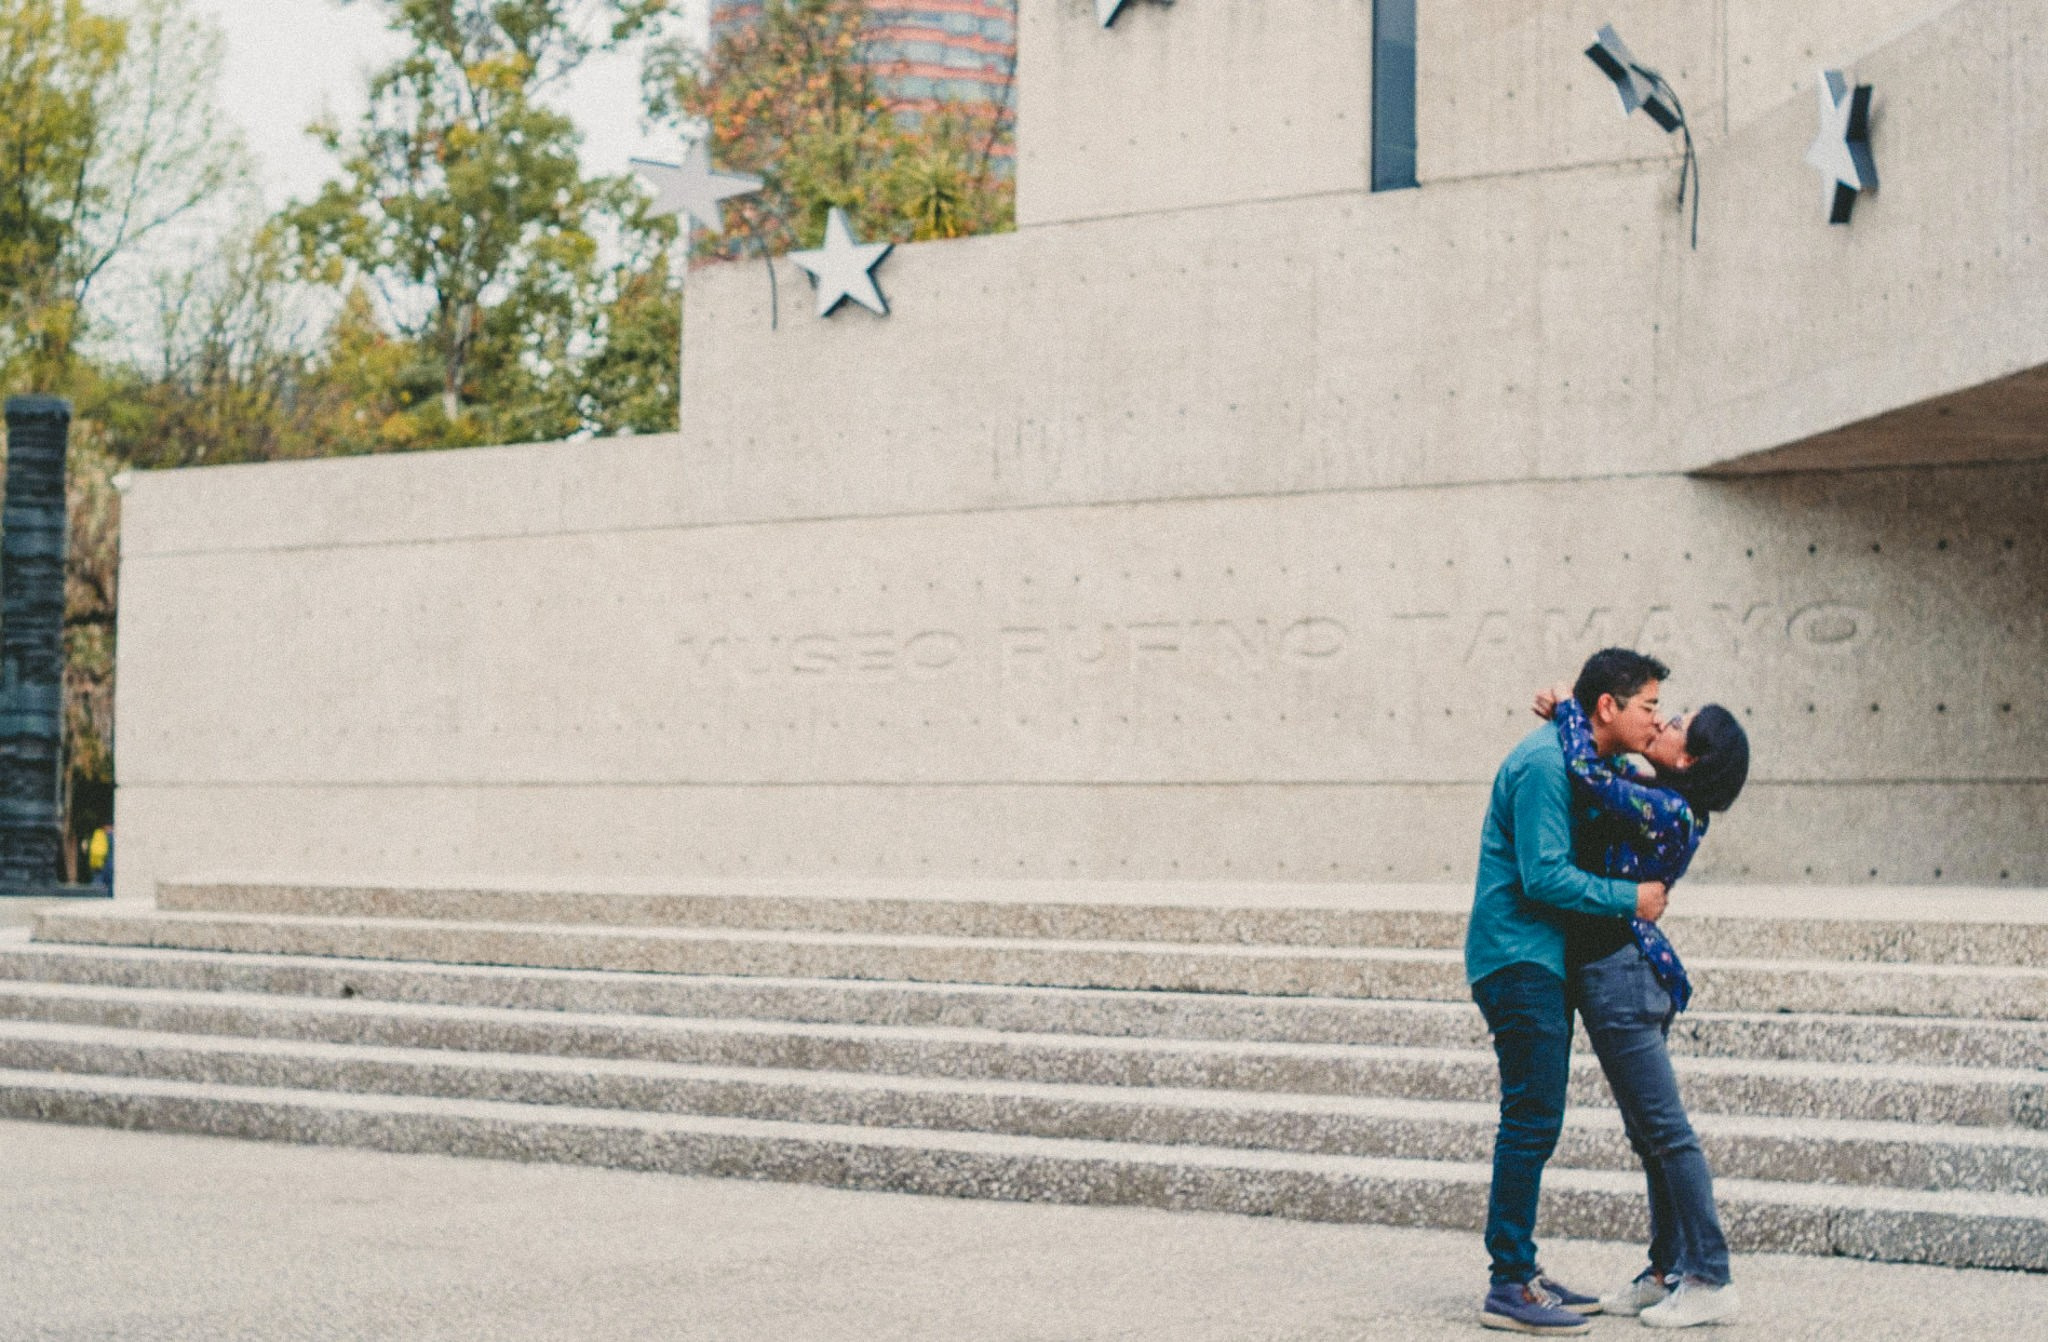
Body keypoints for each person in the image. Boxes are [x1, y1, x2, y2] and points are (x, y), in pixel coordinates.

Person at [1534, 676, 1750, 1330]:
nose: (1663, 722)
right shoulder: (1657, 793)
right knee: (1650, 1139)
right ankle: (1666, 1272)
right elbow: (1608, 768)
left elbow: (1588, 777)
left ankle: (1710, 1275)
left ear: (1690, 760)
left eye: (1677, 722)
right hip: (1619, 974)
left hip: (1624, 977)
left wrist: (1574, 714)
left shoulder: (1671, 809)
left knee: (1667, 1135)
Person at [1467, 647, 1671, 1335]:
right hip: (1517, 959)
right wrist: (1630, 899)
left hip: (1536, 958)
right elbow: (1543, 875)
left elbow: (1612, 774)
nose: (1657, 718)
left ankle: (1522, 1270)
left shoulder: (1576, 753)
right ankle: (1508, 1283)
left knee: (1536, 1117)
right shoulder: (1547, 765)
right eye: (1648, 706)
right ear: (1608, 707)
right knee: (1531, 1118)